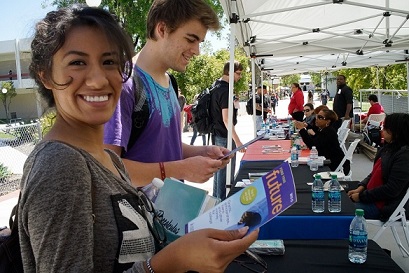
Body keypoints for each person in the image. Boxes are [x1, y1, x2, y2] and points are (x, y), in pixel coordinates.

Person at [20, 6, 258, 272]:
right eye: (78, 62)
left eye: (109, 62)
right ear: (46, 75)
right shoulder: (60, 166)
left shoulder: (108, 160)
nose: (99, 80)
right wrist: (170, 262)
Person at [104, 0, 231, 187]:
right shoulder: (123, 83)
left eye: (200, 42)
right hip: (138, 214)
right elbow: (108, 169)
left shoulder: (170, 81)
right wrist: (180, 169)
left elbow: (163, 147)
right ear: (162, 29)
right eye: (190, 39)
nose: (197, 51)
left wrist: (202, 152)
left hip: (172, 213)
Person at [348, 113, 409, 221]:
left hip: (382, 206)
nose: (382, 130)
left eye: (385, 128)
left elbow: (391, 189)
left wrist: (361, 196)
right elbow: (374, 173)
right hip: (371, 197)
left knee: (339, 211)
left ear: (396, 132)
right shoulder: (388, 148)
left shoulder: (404, 156)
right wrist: (361, 187)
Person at [210, 61, 246, 200]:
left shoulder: (215, 86)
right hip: (225, 136)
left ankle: (216, 202)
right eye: (238, 73)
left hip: (217, 134)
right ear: (229, 72)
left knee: (218, 173)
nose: (240, 77)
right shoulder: (225, 90)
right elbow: (226, 119)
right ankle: (221, 205)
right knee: (225, 175)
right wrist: (237, 141)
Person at [294, 109, 350, 174]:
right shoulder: (325, 129)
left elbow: (312, 145)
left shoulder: (328, 132)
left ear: (328, 121)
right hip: (329, 161)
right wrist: (307, 126)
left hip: (334, 165)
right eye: (317, 116)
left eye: (320, 117)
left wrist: (302, 129)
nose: (316, 119)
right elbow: (317, 135)